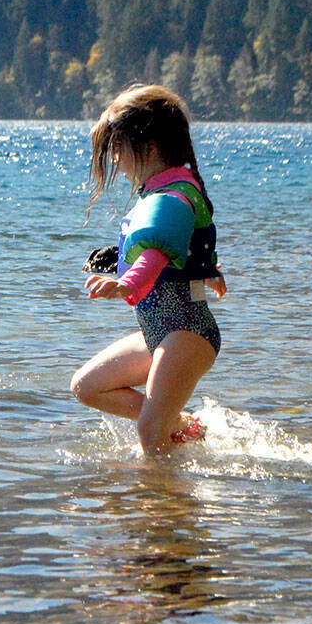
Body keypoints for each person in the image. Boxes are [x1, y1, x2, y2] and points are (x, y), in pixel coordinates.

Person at [70, 85, 226, 456]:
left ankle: (159, 504)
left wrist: (126, 283)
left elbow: (155, 254)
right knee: (86, 386)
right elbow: (183, 251)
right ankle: (187, 429)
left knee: (148, 434)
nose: (117, 160)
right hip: (160, 330)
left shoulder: (172, 197)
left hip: (187, 332)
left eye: (119, 148)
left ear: (151, 148)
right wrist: (209, 271)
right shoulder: (165, 192)